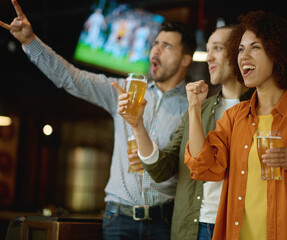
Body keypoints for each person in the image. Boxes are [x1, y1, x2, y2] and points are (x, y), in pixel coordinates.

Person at [0, 0, 196, 239]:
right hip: (119, 219)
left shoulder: (193, 106)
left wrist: (155, 156)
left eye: (166, 46)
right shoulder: (123, 90)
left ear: (186, 59)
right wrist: (30, 42)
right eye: (155, 43)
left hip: (166, 221)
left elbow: (193, 167)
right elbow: (71, 78)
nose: (155, 50)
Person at [184, 10, 287, 240]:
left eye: (255, 47)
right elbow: (203, 166)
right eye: (240, 49)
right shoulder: (234, 117)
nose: (244, 56)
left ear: (277, 53)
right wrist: (194, 108)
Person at [112, 25, 253, 240]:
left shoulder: (261, 108)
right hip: (193, 226)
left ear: (239, 52)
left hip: (242, 226)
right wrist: (137, 124)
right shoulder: (199, 108)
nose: (208, 57)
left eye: (217, 48)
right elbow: (162, 169)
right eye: (208, 49)